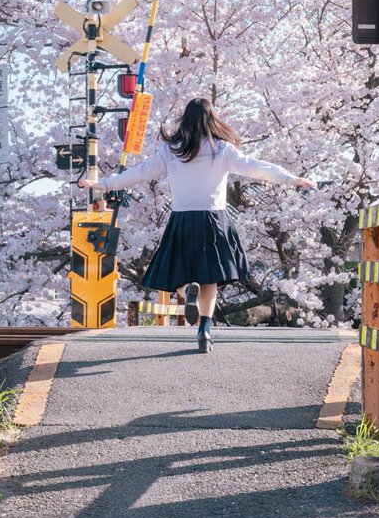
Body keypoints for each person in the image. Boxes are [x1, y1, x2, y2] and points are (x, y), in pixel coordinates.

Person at [78, 97, 314, 353]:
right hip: (214, 220)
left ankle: (187, 289)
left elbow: (141, 172)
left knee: (177, 271)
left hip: (182, 218)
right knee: (210, 277)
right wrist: (290, 179)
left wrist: (103, 184)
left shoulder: (172, 150)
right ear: (212, 120)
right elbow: (254, 168)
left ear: (185, 120)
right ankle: (204, 329)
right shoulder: (221, 149)